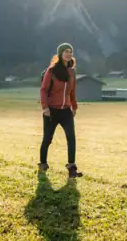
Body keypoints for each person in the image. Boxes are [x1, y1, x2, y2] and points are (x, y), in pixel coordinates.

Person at [38, 42, 83, 178]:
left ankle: (72, 169)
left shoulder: (72, 72)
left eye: (70, 52)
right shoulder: (51, 71)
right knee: (47, 138)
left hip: (66, 111)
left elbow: (72, 91)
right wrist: (45, 107)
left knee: (71, 138)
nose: (69, 54)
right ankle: (43, 164)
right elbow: (43, 89)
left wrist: (74, 106)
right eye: (66, 51)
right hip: (51, 111)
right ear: (60, 54)